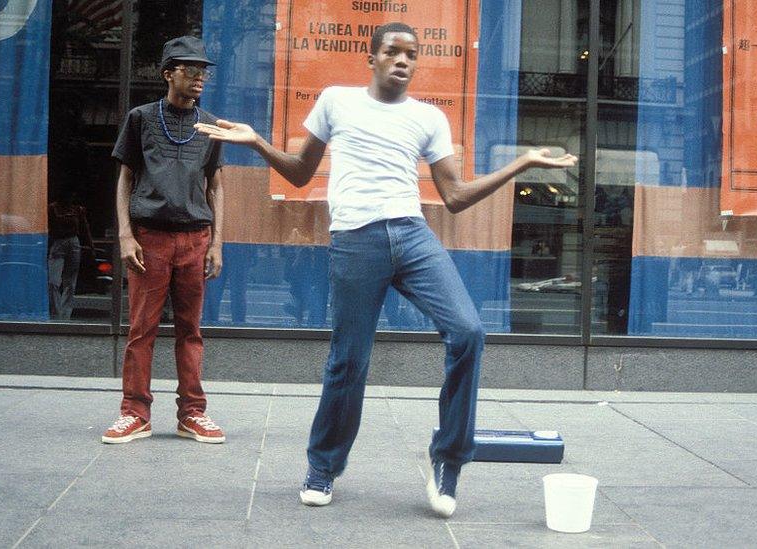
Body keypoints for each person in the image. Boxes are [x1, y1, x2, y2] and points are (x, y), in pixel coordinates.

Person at [196, 22, 576, 517]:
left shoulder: (429, 118)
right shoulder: (336, 101)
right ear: (371, 58)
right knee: (348, 361)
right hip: (356, 240)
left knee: (468, 332)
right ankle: (323, 465)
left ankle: (448, 461)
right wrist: (257, 142)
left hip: (413, 237)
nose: (403, 61)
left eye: (411, 54)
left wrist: (522, 164)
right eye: (393, 52)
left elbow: (456, 198)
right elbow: (299, 172)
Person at [102, 36, 226, 445]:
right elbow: (125, 179)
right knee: (142, 329)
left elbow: (216, 186)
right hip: (149, 238)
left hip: (195, 238)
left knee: (191, 330)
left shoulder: (210, 125)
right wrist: (124, 234)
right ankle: (134, 413)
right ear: (167, 73)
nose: (199, 78)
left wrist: (217, 243)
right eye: (190, 69)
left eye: (203, 71)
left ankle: (192, 413)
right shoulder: (141, 118)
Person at [47, 193, 94, 320]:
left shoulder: (77, 210)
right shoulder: (53, 208)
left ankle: (65, 314)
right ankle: (56, 313)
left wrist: (90, 245)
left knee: (70, 281)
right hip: (59, 242)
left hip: (72, 242)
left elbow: (85, 228)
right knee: (53, 281)